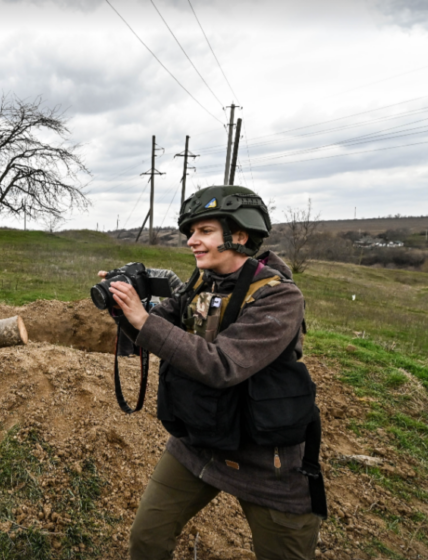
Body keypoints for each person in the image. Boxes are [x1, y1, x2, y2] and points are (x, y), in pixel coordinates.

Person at [105, 186, 325, 560]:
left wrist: (144, 321)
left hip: (265, 460)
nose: (192, 241)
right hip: (200, 440)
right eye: (191, 232)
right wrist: (124, 310)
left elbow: (223, 365)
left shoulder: (280, 297)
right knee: (147, 541)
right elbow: (155, 332)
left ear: (239, 236)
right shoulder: (200, 284)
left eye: (204, 231)